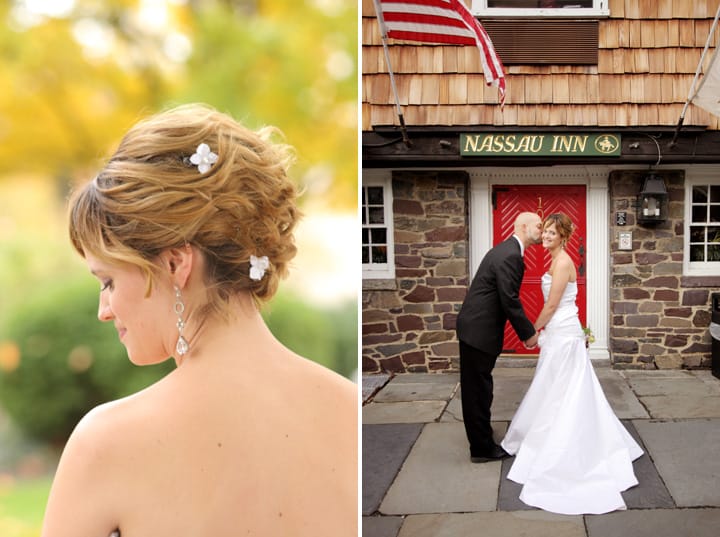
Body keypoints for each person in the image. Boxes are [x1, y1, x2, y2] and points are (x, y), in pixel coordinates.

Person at [41, 104, 357, 537]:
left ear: (175, 264)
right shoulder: (348, 409)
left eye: (109, 280)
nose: (104, 310)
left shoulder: (107, 443)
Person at [501, 213, 643, 515]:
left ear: (563, 236)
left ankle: (565, 442)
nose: (547, 236)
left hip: (563, 332)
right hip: (561, 331)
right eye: (546, 231)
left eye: (553, 232)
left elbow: (552, 305)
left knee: (562, 388)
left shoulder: (563, 261)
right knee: (554, 385)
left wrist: (532, 332)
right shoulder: (555, 260)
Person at [455, 212, 542, 463]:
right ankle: (481, 449)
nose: (541, 229)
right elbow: (509, 299)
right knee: (478, 391)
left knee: (480, 388)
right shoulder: (510, 255)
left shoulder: (507, 250)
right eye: (538, 225)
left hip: (477, 328)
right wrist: (528, 334)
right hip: (478, 331)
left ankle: (481, 435)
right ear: (524, 227)